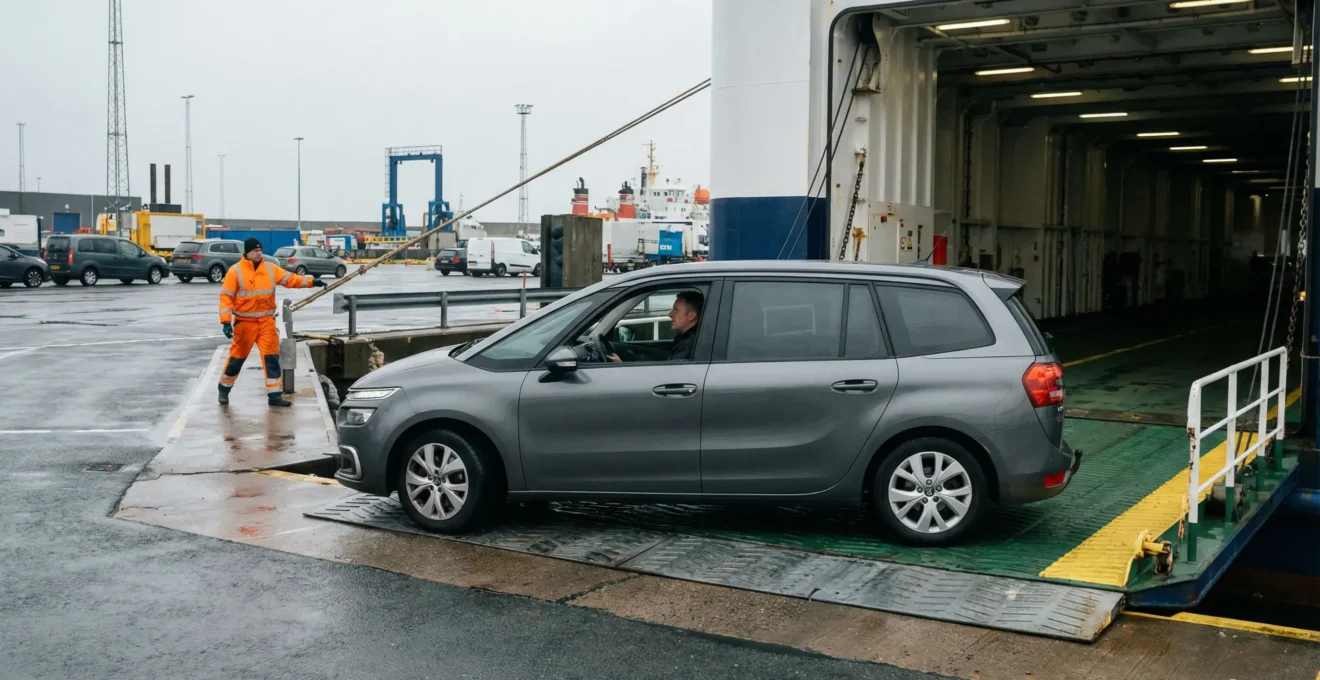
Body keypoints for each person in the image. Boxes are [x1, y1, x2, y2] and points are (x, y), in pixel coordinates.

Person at [217, 238, 326, 407]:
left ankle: (274, 396)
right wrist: (225, 322)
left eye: (260, 250)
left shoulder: (270, 268)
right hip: (244, 324)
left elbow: (291, 279)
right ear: (247, 252)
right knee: (236, 360)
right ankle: (223, 390)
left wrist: (312, 281)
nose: (259, 253)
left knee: (272, 359)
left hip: (266, 323)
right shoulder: (235, 271)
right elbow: (226, 297)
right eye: (255, 251)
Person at [607, 290, 703, 363]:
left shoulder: (690, 345)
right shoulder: (687, 340)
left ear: (691, 315)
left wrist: (622, 366)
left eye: (676, 310)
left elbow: (668, 375)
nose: (670, 314)